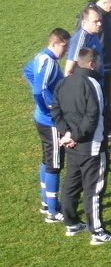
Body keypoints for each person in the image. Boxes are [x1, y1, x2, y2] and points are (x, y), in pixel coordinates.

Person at [51, 47, 111, 244]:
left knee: (71, 185)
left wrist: (66, 134)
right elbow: (93, 117)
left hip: (71, 146)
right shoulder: (93, 84)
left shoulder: (63, 82)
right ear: (91, 63)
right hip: (92, 146)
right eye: (97, 62)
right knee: (94, 189)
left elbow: (55, 110)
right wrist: (75, 135)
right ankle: (97, 232)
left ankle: (71, 222)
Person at [23, 27, 70, 223]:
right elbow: (38, 91)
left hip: (40, 120)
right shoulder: (50, 63)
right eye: (64, 47)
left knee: (46, 158)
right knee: (54, 165)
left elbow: (26, 70)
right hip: (50, 122)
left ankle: (45, 202)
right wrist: (49, 108)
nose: (65, 51)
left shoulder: (40, 56)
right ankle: (52, 211)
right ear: (54, 43)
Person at [74, 0, 111, 143]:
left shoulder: (106, 14)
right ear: (105, 2)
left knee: (105, 99)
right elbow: (79, 44)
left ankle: (108, 131)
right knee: (94, 102)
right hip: (92, 67)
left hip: (106, 64)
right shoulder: (90, 16)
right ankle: (96, 136)